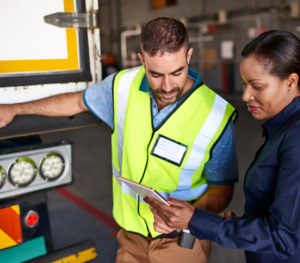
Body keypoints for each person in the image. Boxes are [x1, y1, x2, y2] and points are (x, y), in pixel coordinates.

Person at [0, 17, 239, 263]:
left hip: (183, 242)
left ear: (188, 57)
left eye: (177, 72)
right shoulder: (122, 86)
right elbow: (77, 101)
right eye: (156, 74)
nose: (168, 86)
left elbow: (222, 187)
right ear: (141, 60)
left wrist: (192, 215)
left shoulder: (215, 115)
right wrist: (16, 108)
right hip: (130, 237)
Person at [145, 30, 300, 263]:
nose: (246, 95)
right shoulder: (281, 130)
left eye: (256, 86)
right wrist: (233, 224)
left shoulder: (295, 139)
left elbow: (284, 238)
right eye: (244, 84)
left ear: (291, 81)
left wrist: (195, 221)